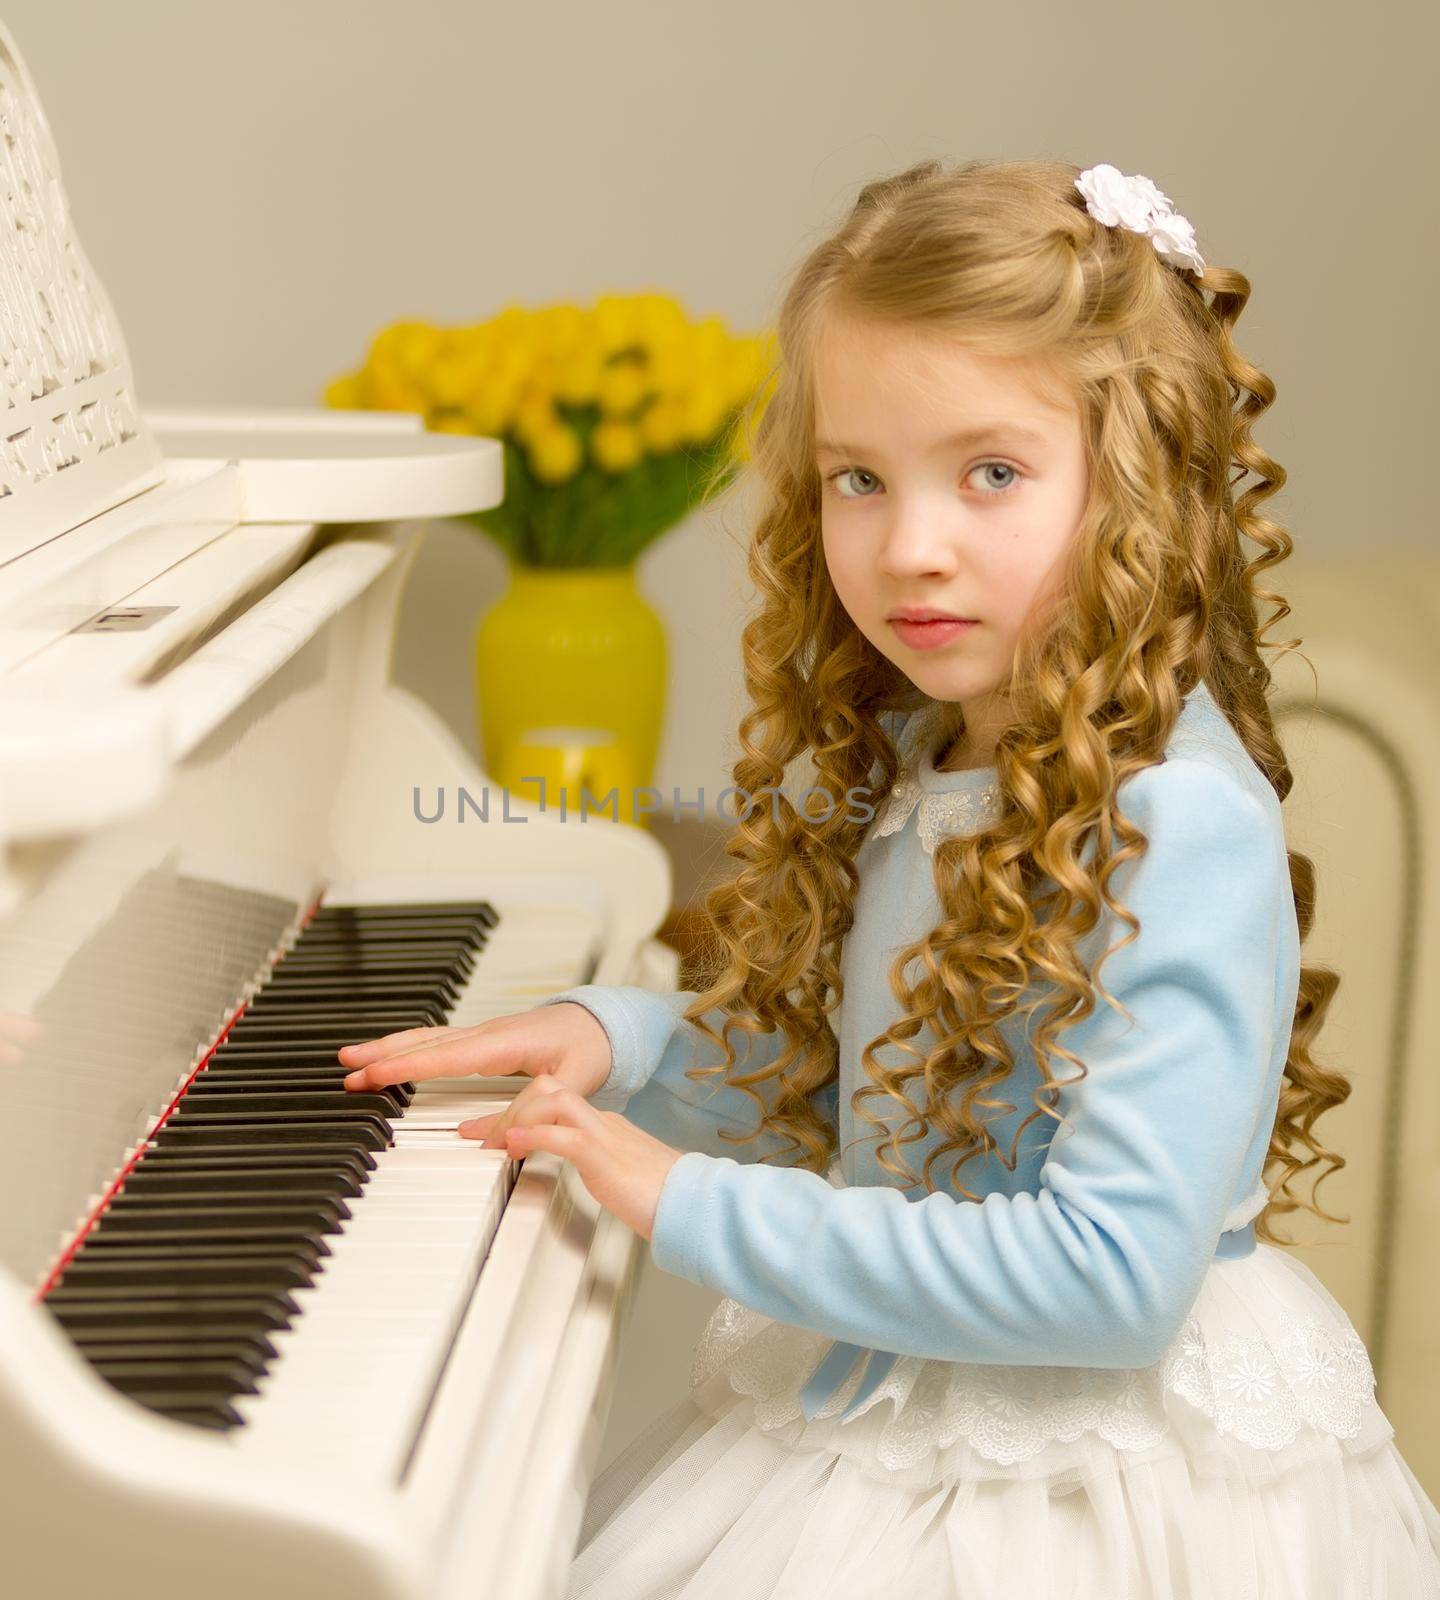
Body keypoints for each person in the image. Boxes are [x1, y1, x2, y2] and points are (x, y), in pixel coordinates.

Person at [339, 157, 1440, 1597]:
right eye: (858, 478)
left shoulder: (1180, 821)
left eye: (992, 472)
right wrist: (626, 1045)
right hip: (911, 1400)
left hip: (1082, 1487)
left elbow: (1108, 1279)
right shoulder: (932, 751)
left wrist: (690, 1203)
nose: (911, 547)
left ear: (1139, 489)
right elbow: (889, 1096)